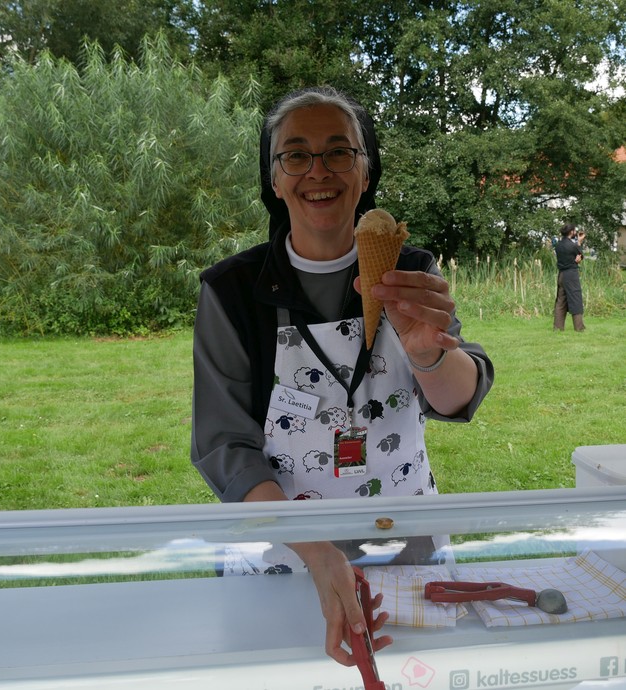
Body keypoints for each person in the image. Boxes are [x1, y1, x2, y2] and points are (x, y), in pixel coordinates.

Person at [190, 86, 494, 666]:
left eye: (338, 151)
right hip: (285, 553)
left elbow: (459, 398)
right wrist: (317, 551)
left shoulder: (410, 271)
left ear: (365, 168)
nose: (317, 171)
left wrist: (429, 354)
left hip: (407, 545)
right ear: (275, 178)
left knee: (415, 674)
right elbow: (224, 445)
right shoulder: (232, 291)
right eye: (296, 155)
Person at [553, 222, 586, 331]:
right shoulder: (572, 245)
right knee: (575, 299)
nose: (575, 232)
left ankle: (558, 328)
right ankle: (579, 328)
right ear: (571, 232)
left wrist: (577, 244)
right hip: (571, 275)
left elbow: (577, 256)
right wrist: (579, 242)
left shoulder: (558, 245)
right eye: (574, 230)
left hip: (561, 275)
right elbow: (580, 255)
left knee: (560, 301)